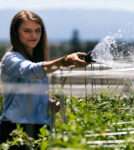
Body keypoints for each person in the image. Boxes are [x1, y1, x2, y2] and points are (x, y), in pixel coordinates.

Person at [0, 10, 87, 144]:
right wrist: (65, 61)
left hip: (40, 131)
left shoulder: (37, 60)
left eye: (37, 30)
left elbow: (28, 95)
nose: (33, 35)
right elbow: (29, 71)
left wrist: (47, 103)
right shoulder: (11, 59)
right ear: (16, 33)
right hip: (15, 131)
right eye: (27, 31)